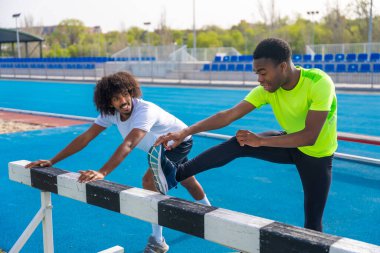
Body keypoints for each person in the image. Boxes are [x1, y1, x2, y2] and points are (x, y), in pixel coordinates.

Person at [149, 38, 337, 232]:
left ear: (282, 66)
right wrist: (185, 131)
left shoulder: (318, 82)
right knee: (239, 143)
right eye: (257, 73)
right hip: (290, 143)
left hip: (317, 156)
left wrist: (261, 140)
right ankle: (176, 174)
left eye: (263, 73)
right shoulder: (268, 90)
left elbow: (309, 136)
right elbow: (227, 116)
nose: (259, 79)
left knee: (312, 224)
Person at [25, 71, 211, 253]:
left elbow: (129, 144)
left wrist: (102, 172)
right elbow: (86, 137)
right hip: (159, 149)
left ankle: (158, 242)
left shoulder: (145, 110)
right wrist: (52, 160)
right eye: (116, 98)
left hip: (179, 143)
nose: (123, 101)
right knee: (189, 182)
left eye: (125, 94)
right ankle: (211, 213)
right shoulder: (110, 114)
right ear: (109, 102)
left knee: (149, 181)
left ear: (131, 92)